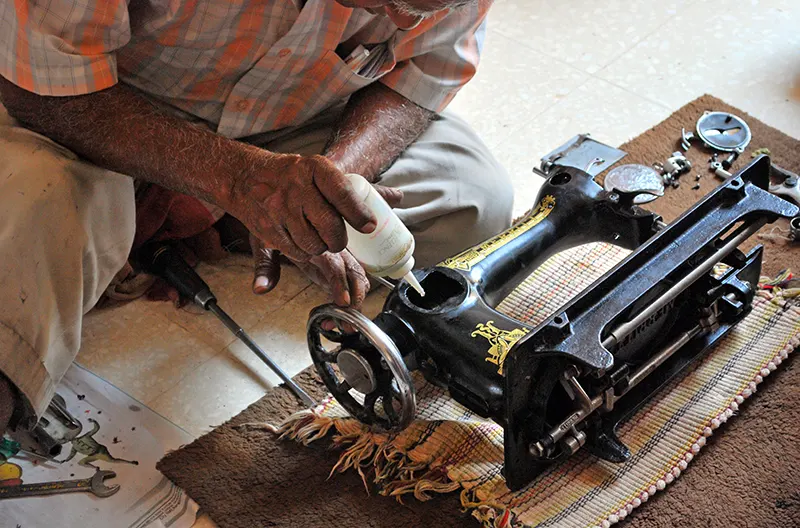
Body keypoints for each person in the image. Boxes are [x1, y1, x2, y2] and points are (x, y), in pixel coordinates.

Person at [0, 0, 513, 436]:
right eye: (392, 3)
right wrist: (233, 180)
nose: (403, 25)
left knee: (472, 201)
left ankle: (199, 219)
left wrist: (316, 187)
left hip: (293, 120)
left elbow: (423, 73)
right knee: (32, 201)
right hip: (101, 109)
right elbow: (39, 82)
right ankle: (172, 208)